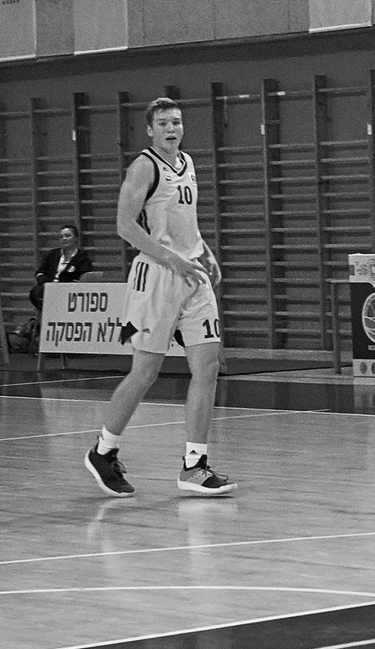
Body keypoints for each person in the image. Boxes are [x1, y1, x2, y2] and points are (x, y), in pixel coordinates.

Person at [83, 98, 233, 500]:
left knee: (209, 364)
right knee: (145, 372)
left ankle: (195, 466)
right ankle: (103, 450)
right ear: (150, 130)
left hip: (191, 274)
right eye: (163, 123)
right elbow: (124, 226)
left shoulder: (188, 162)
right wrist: (172, 258)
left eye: (177, 122)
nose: (172, 128)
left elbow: (184, 221)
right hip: (157, 276)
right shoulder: (144, 166)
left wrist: (204, 252)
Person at [29, 223, 95, 315]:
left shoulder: (82, 258)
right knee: (36, 292)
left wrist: (65, 286)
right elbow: (40, 272)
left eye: (67, 236)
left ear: (76, 238)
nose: (64, 239)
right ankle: (45, 315)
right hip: (49, 288)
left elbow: (84, 277)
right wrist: (47, 283)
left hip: (69, 291)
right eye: (61, 237)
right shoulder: (51, 254)